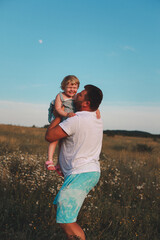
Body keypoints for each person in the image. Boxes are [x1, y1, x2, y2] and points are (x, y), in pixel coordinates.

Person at [45, 84, 103, 240]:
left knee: (66, 221)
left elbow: (50, 136)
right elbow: (96, 109)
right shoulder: (96, 117)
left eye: (81, 95)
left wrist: (58, 115)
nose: (76, 94)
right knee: (60, 206)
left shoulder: (75, 120)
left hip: (81, 173)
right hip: (86, 172)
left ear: (86, 104)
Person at [45, 75, 80, 175]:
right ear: (63, 87)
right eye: (69, 87)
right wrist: (66, 114)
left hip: (68, 121)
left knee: (63, 144)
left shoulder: (76, 97)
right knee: (54, 139)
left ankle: (59, 164)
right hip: (60, 118)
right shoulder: (60, 96)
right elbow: (58, 109)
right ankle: (49, 161)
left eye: (74, 88)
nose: (72, 90)